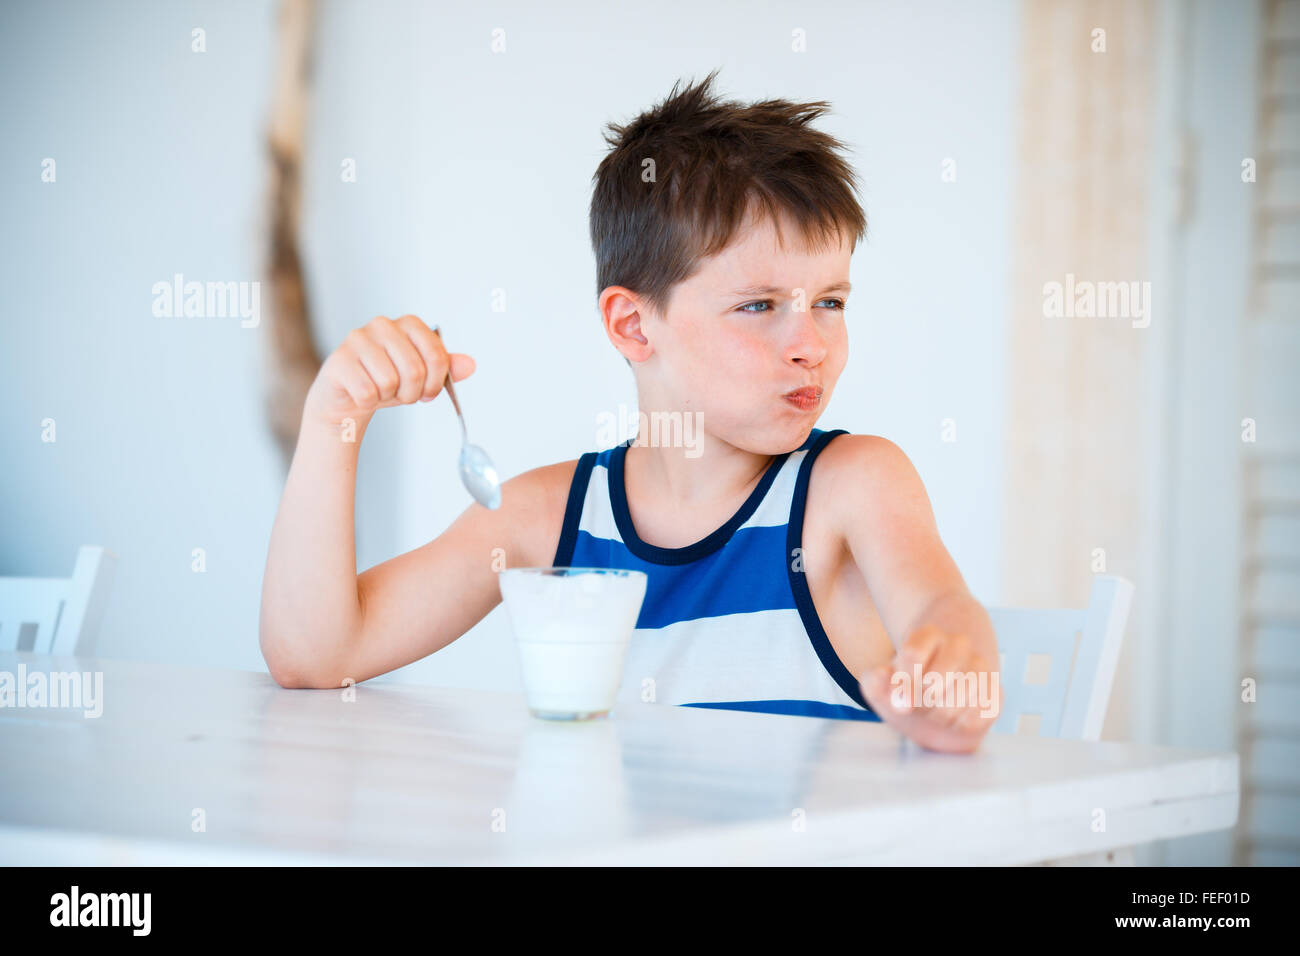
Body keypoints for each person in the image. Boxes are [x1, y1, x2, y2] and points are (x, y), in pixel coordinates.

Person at [259, 69, 1001, 754]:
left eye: (829, 303)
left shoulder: (851, 487)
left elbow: (943, 610)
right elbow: (318, 655)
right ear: (633, 326)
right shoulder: (547, 518)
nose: (811, 344)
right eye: (759, 305)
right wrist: (336, 417)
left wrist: (951, 669)